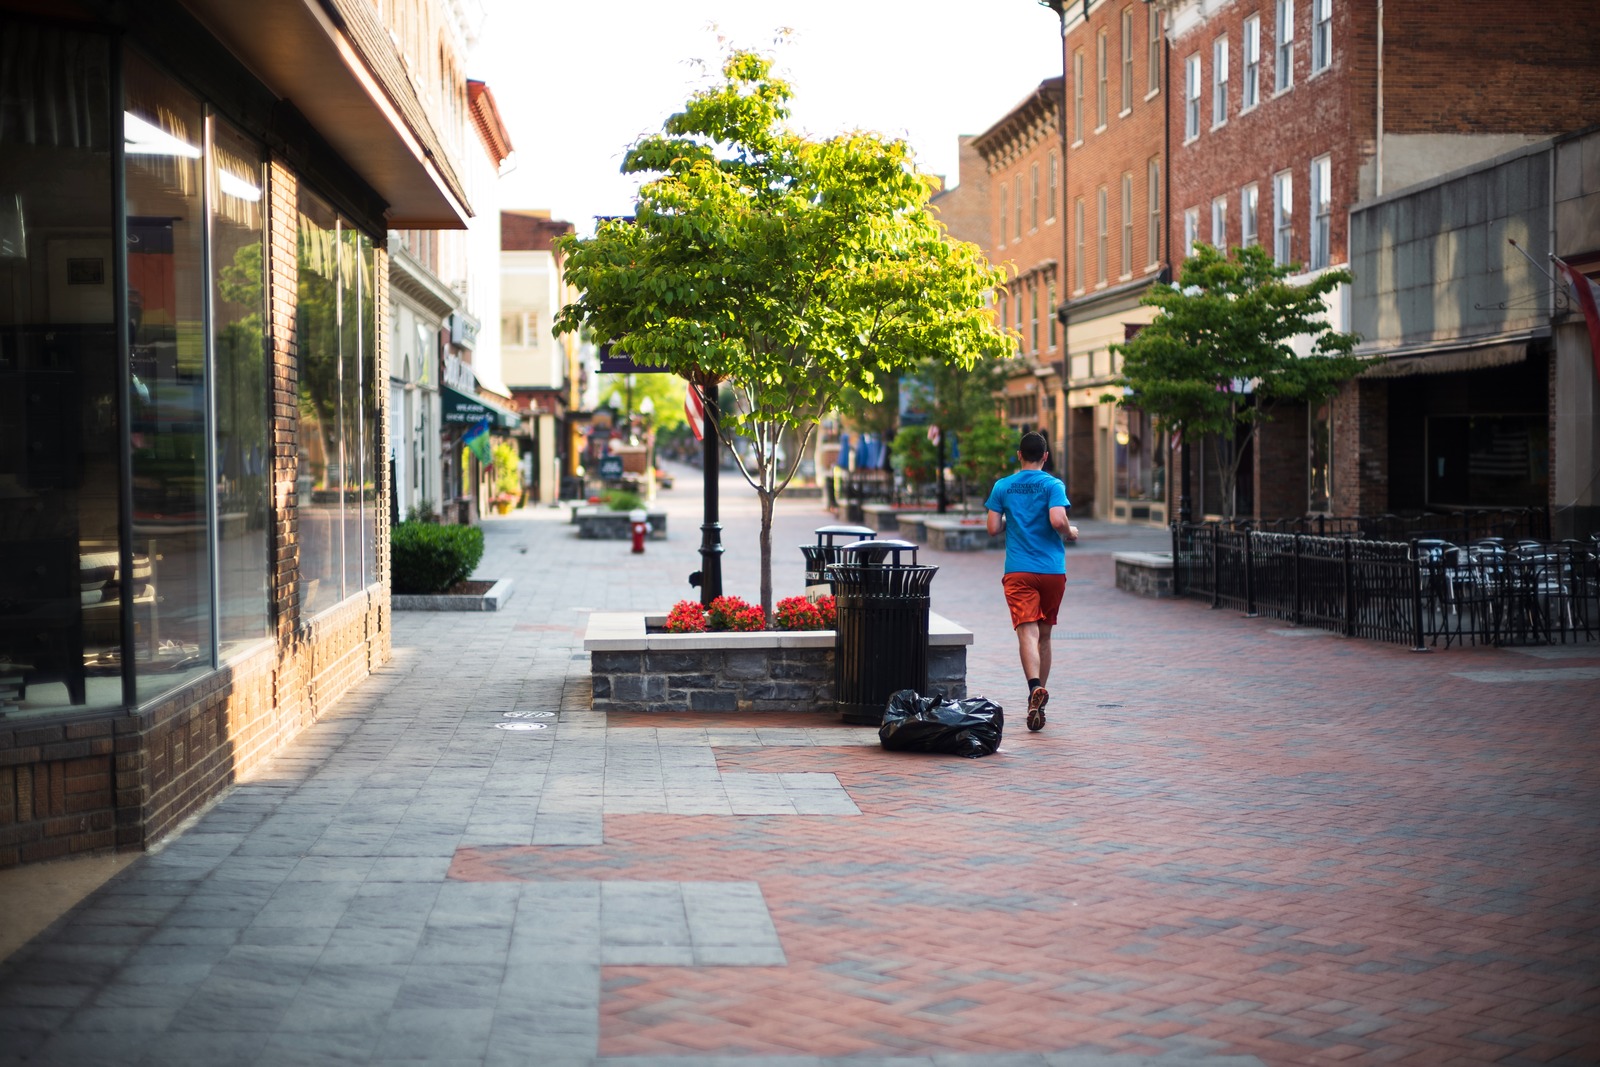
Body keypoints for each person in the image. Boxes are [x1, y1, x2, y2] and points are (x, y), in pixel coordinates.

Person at [985, 431, 1077, 732]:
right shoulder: (1053, 484)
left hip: (1019, 571)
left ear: (1019, 454)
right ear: (1046, 456)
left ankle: (1033, 688)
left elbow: (993, 528)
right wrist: (1070, 531)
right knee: (1045, 636)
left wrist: (1015, 517)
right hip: (1052, 570)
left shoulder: (1003, 486)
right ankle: (1037, 700)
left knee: (1027, 632)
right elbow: (1057, 520)